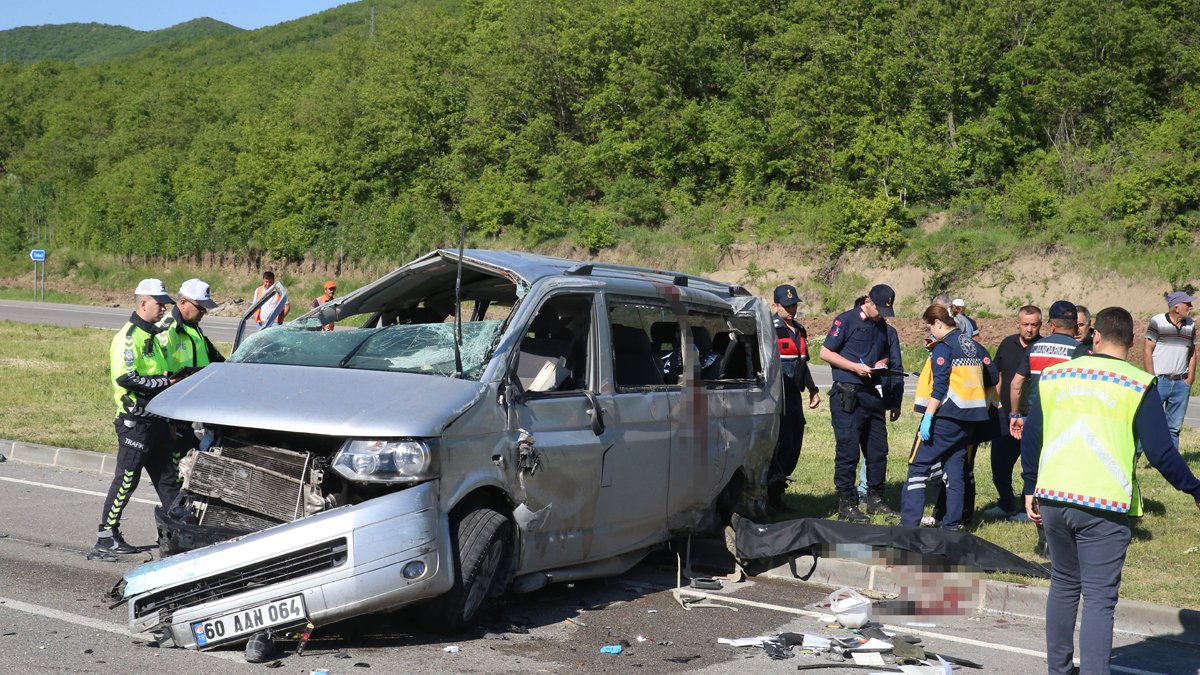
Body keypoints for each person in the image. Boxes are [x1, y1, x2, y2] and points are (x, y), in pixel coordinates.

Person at [1020, 306, 1200, 675]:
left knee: (1064, 585)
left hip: (1053, 495)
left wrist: (1028, 484)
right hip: (1105, 502)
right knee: (1099, 599)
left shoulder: (1054, 376)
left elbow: (1032, 434)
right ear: (1134, 344)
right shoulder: (1137, 383)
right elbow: (1161, 451)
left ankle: (1059, 670)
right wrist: (1194, 488)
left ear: (1094, 336)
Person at [91, 279, 187, 561]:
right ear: (143, 303)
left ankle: (181, 534)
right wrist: (166, 382)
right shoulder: (129, 336)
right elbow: (127, 377)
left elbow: (163, 374)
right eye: (160, 303)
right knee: (127, 480)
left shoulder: (153, 337)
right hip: (135, 422)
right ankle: (106, 536)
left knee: (169, 480)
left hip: (157, 422)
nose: (164, 308)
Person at [903, 304, 989, 530]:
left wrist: (928, 416)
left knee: (917, 467)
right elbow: (992, 375)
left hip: (946, 417)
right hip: (968, 420)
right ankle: (951, 525)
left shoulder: (943, 346)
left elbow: (939, 386)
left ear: (938, 324)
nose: (931, 333)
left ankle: (909, 525)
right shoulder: (972, 345)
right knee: (954, 471)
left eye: (930, 327)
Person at [819, 284, 900, 522]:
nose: (881, 316)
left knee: (878, 450)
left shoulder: (882, 328)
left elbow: (885, 354)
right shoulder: (846, 321)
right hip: (848, 394)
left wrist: (881, 364)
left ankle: (875, 499)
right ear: (868, 301)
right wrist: (855, 367)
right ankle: (846, 501)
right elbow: (825, 352)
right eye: (879, 310)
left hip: (872, 394)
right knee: (848, 449)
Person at [1010, 300, 1079, 556]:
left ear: (1050, 325)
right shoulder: (1080, 350)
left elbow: (1016, 384)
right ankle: (1064, 535)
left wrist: (1015, 414)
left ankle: (1044, 541)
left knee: (1038, 476)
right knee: (1062, 477)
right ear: (1077, 326)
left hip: (1036, 420)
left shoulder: (1036, 347)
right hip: (1065, 422)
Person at [158, 279, 224, 474]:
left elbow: (213, 357)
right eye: (200, 307)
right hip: (177, 408)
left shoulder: (193, 326)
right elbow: (160, 374)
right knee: (178, 466)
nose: (203, 312)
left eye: (205, 309)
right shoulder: (169, 329)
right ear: (183, 302)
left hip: (195, 404)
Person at [982, 305, 1042, 520]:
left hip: (1033, 418)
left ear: (1040, 325)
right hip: (1006, 417)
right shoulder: (1007, 344)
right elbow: (997, 376)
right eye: (1025, 324)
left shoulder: (1043, 348)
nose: (1029, 329)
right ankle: (1006, 504)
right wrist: (994, 406)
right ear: (1017, 324)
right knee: (999, 467)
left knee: (1032, 468)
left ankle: (1031, 509)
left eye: (1033, 325)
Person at [768, 284, 821, 513]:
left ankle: (779, 491)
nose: (792, 309)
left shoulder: (799, 329)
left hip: (794, 395)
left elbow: (802, 363)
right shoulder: (769, 328)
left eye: (794, 304)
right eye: (787, 305)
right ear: (775, 306)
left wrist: (813, 389)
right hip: (777, 395)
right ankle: (769, 495)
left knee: (793, 442)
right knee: (779, 443)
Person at [1143, 291, 1196, 453]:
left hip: (1181, 383)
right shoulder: (1157, 322)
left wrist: (1190, 378)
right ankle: (1135, 458)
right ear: (1176, 307)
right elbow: (1147, 351)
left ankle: (1171, 463)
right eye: (1188, 304)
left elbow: (1193, 352)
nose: (1191, 307)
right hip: (1160, 381)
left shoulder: (1190, 325)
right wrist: (1152, 379)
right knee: (1149, 423)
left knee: (1174, 428)